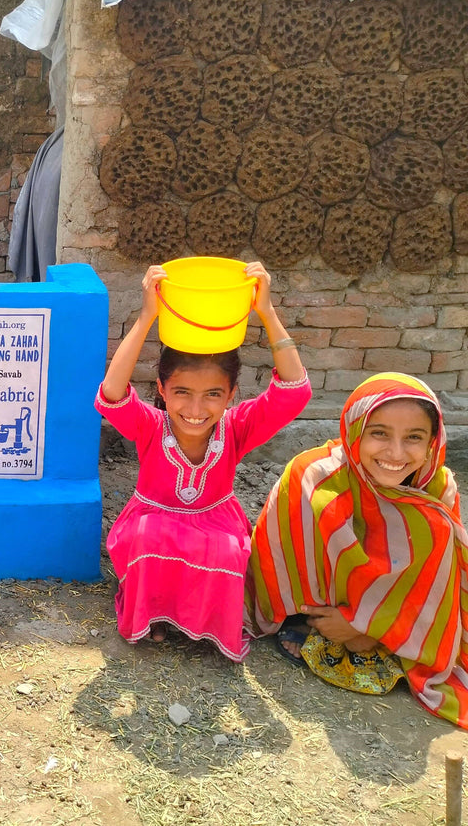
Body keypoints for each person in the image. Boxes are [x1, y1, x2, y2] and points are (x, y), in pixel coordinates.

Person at [95, 262, 311, 661]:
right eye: (181, 392)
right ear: (161, 388)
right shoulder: (149, 426)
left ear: (231, 395)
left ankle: (204, 621)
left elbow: (294, 392)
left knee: (225, 550)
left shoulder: (239, 427)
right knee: (148, 538)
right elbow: (111, 393)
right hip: (152, 517)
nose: (195, 409)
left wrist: (267, 312)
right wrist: (147, 317)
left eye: (213, 394)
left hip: (216, 518)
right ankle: (154, 613)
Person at [247, 373, 468, 726]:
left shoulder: (437, 487)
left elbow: (435, 581)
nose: (396, 453)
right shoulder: (314, 476)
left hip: (384, 615)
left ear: (432, 442)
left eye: (414, 437)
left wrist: (362, 626)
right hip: (320, 602)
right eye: (379, 433)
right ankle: (314, 623)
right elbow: (282, 553)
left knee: (435, 529)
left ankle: (374, 630)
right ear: (355, 431)